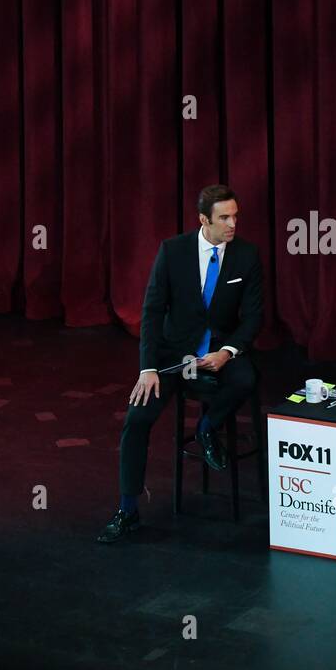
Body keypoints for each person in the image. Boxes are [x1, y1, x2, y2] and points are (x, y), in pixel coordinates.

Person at [96, 184, 264, 543]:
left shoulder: (246, 256)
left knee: (245, 379)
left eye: (235, 216)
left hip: (219, 350)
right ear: (204, 220)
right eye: (224, 218)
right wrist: (148, 368)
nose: (232, 223)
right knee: (137, 418)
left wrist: (227, 352)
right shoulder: (173, 252)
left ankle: (207, 427)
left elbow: (252, 318)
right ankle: (127, 510)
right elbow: (153, 311)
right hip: (178, 357)